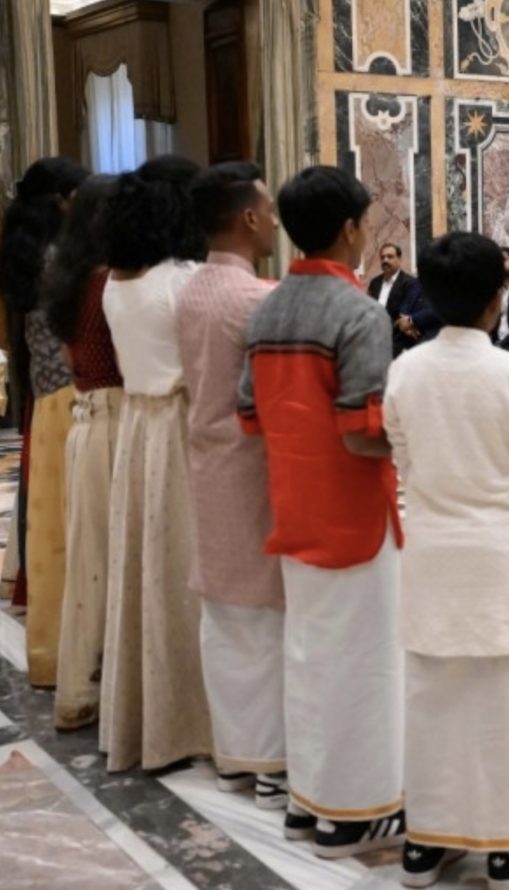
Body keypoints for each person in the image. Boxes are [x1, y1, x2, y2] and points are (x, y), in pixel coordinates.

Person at [385, 231, 509, 890]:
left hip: (429, 548)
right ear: (498, 299)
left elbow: (404, 458)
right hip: (501, 554)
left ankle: (426, 842)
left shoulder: (404, 370)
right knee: (508, 702)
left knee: (432, 696)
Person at [239, 166, 405, 855]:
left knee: (309, 657)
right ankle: (356, 808)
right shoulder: (358, 312)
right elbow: (365, 432)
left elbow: (251, 419)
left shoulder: (268, 307)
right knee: (364, 663)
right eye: (367, 222)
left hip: (293, 504)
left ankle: (309, 799)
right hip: (354, 510)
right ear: (349, 229)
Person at [175, 162, 288, 807]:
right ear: (248, 217)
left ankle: (234, 753)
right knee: (266, 617)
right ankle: (272, 760)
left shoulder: (189, 290)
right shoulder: (258, 298)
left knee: (223, 617)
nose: (273, 219)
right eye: (268, 208)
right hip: (253, 468)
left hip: (205, 463)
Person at [100, 155, 213, 771]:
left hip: (137, 426)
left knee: (146, 572)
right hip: (179, 426)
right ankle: (192, 723)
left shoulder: (116, 282)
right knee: (184, 574)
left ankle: (148, 717)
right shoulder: (183, 280)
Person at [40, 174, 119, 727]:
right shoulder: (108, 283)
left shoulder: (67, 281)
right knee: (113, 560)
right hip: (115, 420)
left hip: (84, 418)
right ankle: (112, 685)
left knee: (88, 558)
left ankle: (85, 684)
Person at [0, 157, 87, 632]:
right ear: (61, 203)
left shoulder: (25, 251)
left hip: (43, 390)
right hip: (71, 392)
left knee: (46, 504)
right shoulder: (63, 258)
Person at [367, 243, 433, 354]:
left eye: (390, 256)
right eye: (382, 257)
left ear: (399, 259)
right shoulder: (375, 282)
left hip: (397, 343)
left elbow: (404, 315)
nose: (385, 260)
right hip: (373, 340)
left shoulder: (410, 283)